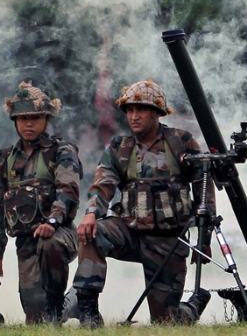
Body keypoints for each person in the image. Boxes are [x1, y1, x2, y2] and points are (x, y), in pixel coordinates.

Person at [72, 79, 214, 326]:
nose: (134, 116)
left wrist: (204, 239)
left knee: (166, 322)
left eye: (141, 109)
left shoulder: (181, 141)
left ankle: (193, 306)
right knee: (91, 234)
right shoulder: (120, 147)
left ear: (157, 112)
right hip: (129, 231)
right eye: (130, 110)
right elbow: (103, 183)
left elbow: (204, 188)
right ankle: (88, 312)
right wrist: (91, 213)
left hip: (167, 240)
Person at [0, 81, 81, 323]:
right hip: (26, 242)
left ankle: (59, 305)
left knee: (50, 246)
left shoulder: (61, 151)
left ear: (46, 119)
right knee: (35, 316)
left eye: (35, 118)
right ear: (15, 121)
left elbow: (68, 191)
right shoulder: (5, 158)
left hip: (60, 234)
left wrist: (52, 220)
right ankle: (72, 305)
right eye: (23, 118)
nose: (28, 123)